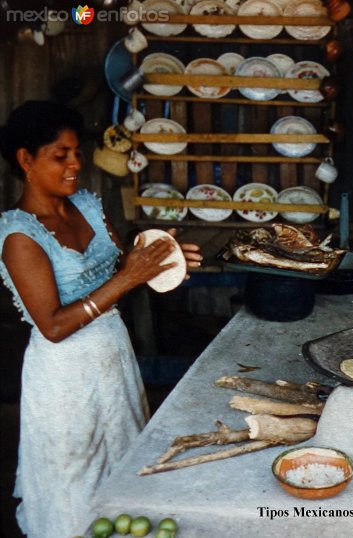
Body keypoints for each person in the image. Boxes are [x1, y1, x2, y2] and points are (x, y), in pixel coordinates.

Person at [0, 100, 202, 537]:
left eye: (77, 152)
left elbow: (118, 273)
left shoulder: (88, 207)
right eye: (61, 155)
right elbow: (52, 326)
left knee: (122, 455)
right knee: (74, 474)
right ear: (25, 159)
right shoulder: (19, 236)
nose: (76, 164)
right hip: (64, 375)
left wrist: (161, 261)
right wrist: (130, 276)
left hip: (111, 353)